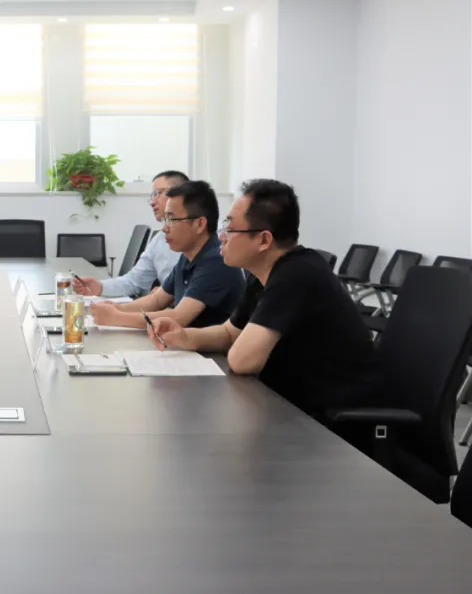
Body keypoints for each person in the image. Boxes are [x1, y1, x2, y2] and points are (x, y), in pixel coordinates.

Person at [147, 179, 381, 420]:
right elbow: (229, 333)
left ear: (264, 240)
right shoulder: (263, 274)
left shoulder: (297, 274)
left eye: (230, 228)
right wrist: (184, 336)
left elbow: (242, 361)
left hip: (334, 423)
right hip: (289, 406)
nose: (222, 236)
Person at [90, 180, 245, 330]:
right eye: (165, 220)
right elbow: (156, 300)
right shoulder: (188, 256)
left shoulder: (216, 260)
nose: (164, 228)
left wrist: (116, 317)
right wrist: (117, 308)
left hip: (208, 347)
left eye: (172, 220)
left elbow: (178, 318)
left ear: (199, 224)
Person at [72, 171, 188, 298]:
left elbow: (198, 289)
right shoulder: (159, 239)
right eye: (152, 195)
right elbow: (134, 281)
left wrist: (167, 294)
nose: (152, 202)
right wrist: (99, 287)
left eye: (158, 193)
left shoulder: (202, 237)